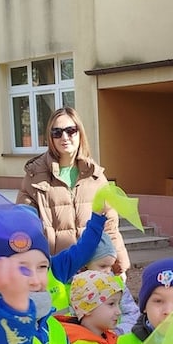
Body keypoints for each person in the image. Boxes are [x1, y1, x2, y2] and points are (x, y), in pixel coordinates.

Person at [16, 106, 129, 274]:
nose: (64, 137)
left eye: (70, 131)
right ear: (50, 137)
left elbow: (110, 226)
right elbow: (24, 226)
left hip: (91, 271)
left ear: (80, 133)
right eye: (57, 132)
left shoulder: (95, 176)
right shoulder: (35, 175)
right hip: (55, 272)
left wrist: (120, 265)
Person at [82, 233, 140, 335]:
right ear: (85, 263)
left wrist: (118, 331)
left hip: (117, 337)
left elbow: (132, 313)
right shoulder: (77, 287)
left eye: (110, 266)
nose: (107, 271)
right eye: (103, 266)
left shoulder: (117, 283)